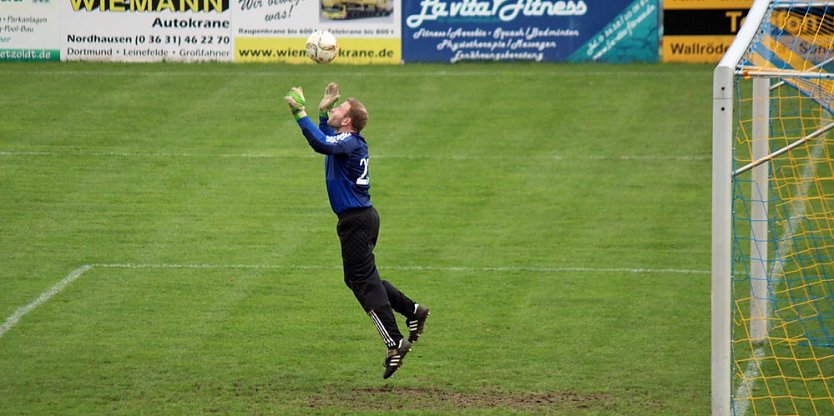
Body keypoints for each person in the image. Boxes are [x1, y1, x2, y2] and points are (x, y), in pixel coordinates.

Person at [283, 83, 430, 379]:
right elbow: (327, 138)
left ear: (348, 120)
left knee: (362, 281)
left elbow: (321, 144)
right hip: (360, 218)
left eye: (339, 109)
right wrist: (323, 111)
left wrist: (300, 113)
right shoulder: (348, 140)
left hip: (357, 221)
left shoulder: (348, 142)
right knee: (358, 278)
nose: (336, 109)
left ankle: (394, 342)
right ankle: (413, 310)